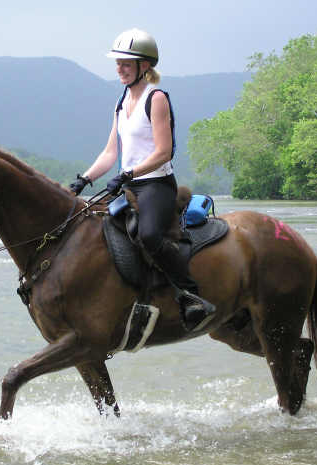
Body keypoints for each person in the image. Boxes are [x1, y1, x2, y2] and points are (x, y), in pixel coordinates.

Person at [69, 28, 214, 329]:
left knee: (148, 235)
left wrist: (128, 173)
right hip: (128, 182)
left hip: (156, 185)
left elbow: (164, 152)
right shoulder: (121, 102)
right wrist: (84, 179)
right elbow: (111, 152)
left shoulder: (156, 98)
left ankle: (190, 295)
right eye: (117, 63)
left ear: (144, 66)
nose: (119, 68)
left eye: (125, 63)